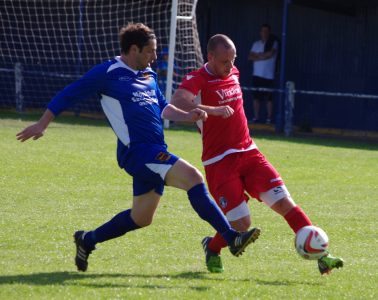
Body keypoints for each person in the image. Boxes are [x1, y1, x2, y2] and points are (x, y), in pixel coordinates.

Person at [16, 23, 260, 272]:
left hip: (154, 149)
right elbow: (69, 93)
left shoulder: (149, 75)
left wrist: (189, 115)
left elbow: (164, 107)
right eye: (150, 51)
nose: (154, 57)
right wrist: (42, 123)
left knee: (141, 218)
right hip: (138, 152)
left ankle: (87, 240)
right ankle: (231, 238)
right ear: (133, 49)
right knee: (193, 177)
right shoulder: (108, 72)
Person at [171, 34, 344, 275]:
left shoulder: (233, 72)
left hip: (250, 153)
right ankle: (212, 247)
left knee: (285, 203)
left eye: (233, 60)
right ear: (210, 57)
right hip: (219, 162)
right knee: (242, 224)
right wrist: (213, 110)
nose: (230, 66)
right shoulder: (198, 78)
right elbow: (179, 100)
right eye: (224, 61)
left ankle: (322, 256)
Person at [248, 24, 278, 124]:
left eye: (266, 31)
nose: (264, 33)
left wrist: (259, 56)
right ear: (260, 32)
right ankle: (256, 117)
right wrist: (262, 56)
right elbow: (250, 57)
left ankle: (269, 119)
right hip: (257, 75)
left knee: (269, 98)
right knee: (256, 97)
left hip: (269, 75)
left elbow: (270, 54)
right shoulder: (256, 44)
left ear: (269, 32)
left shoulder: (273, 43)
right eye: (262, 31)